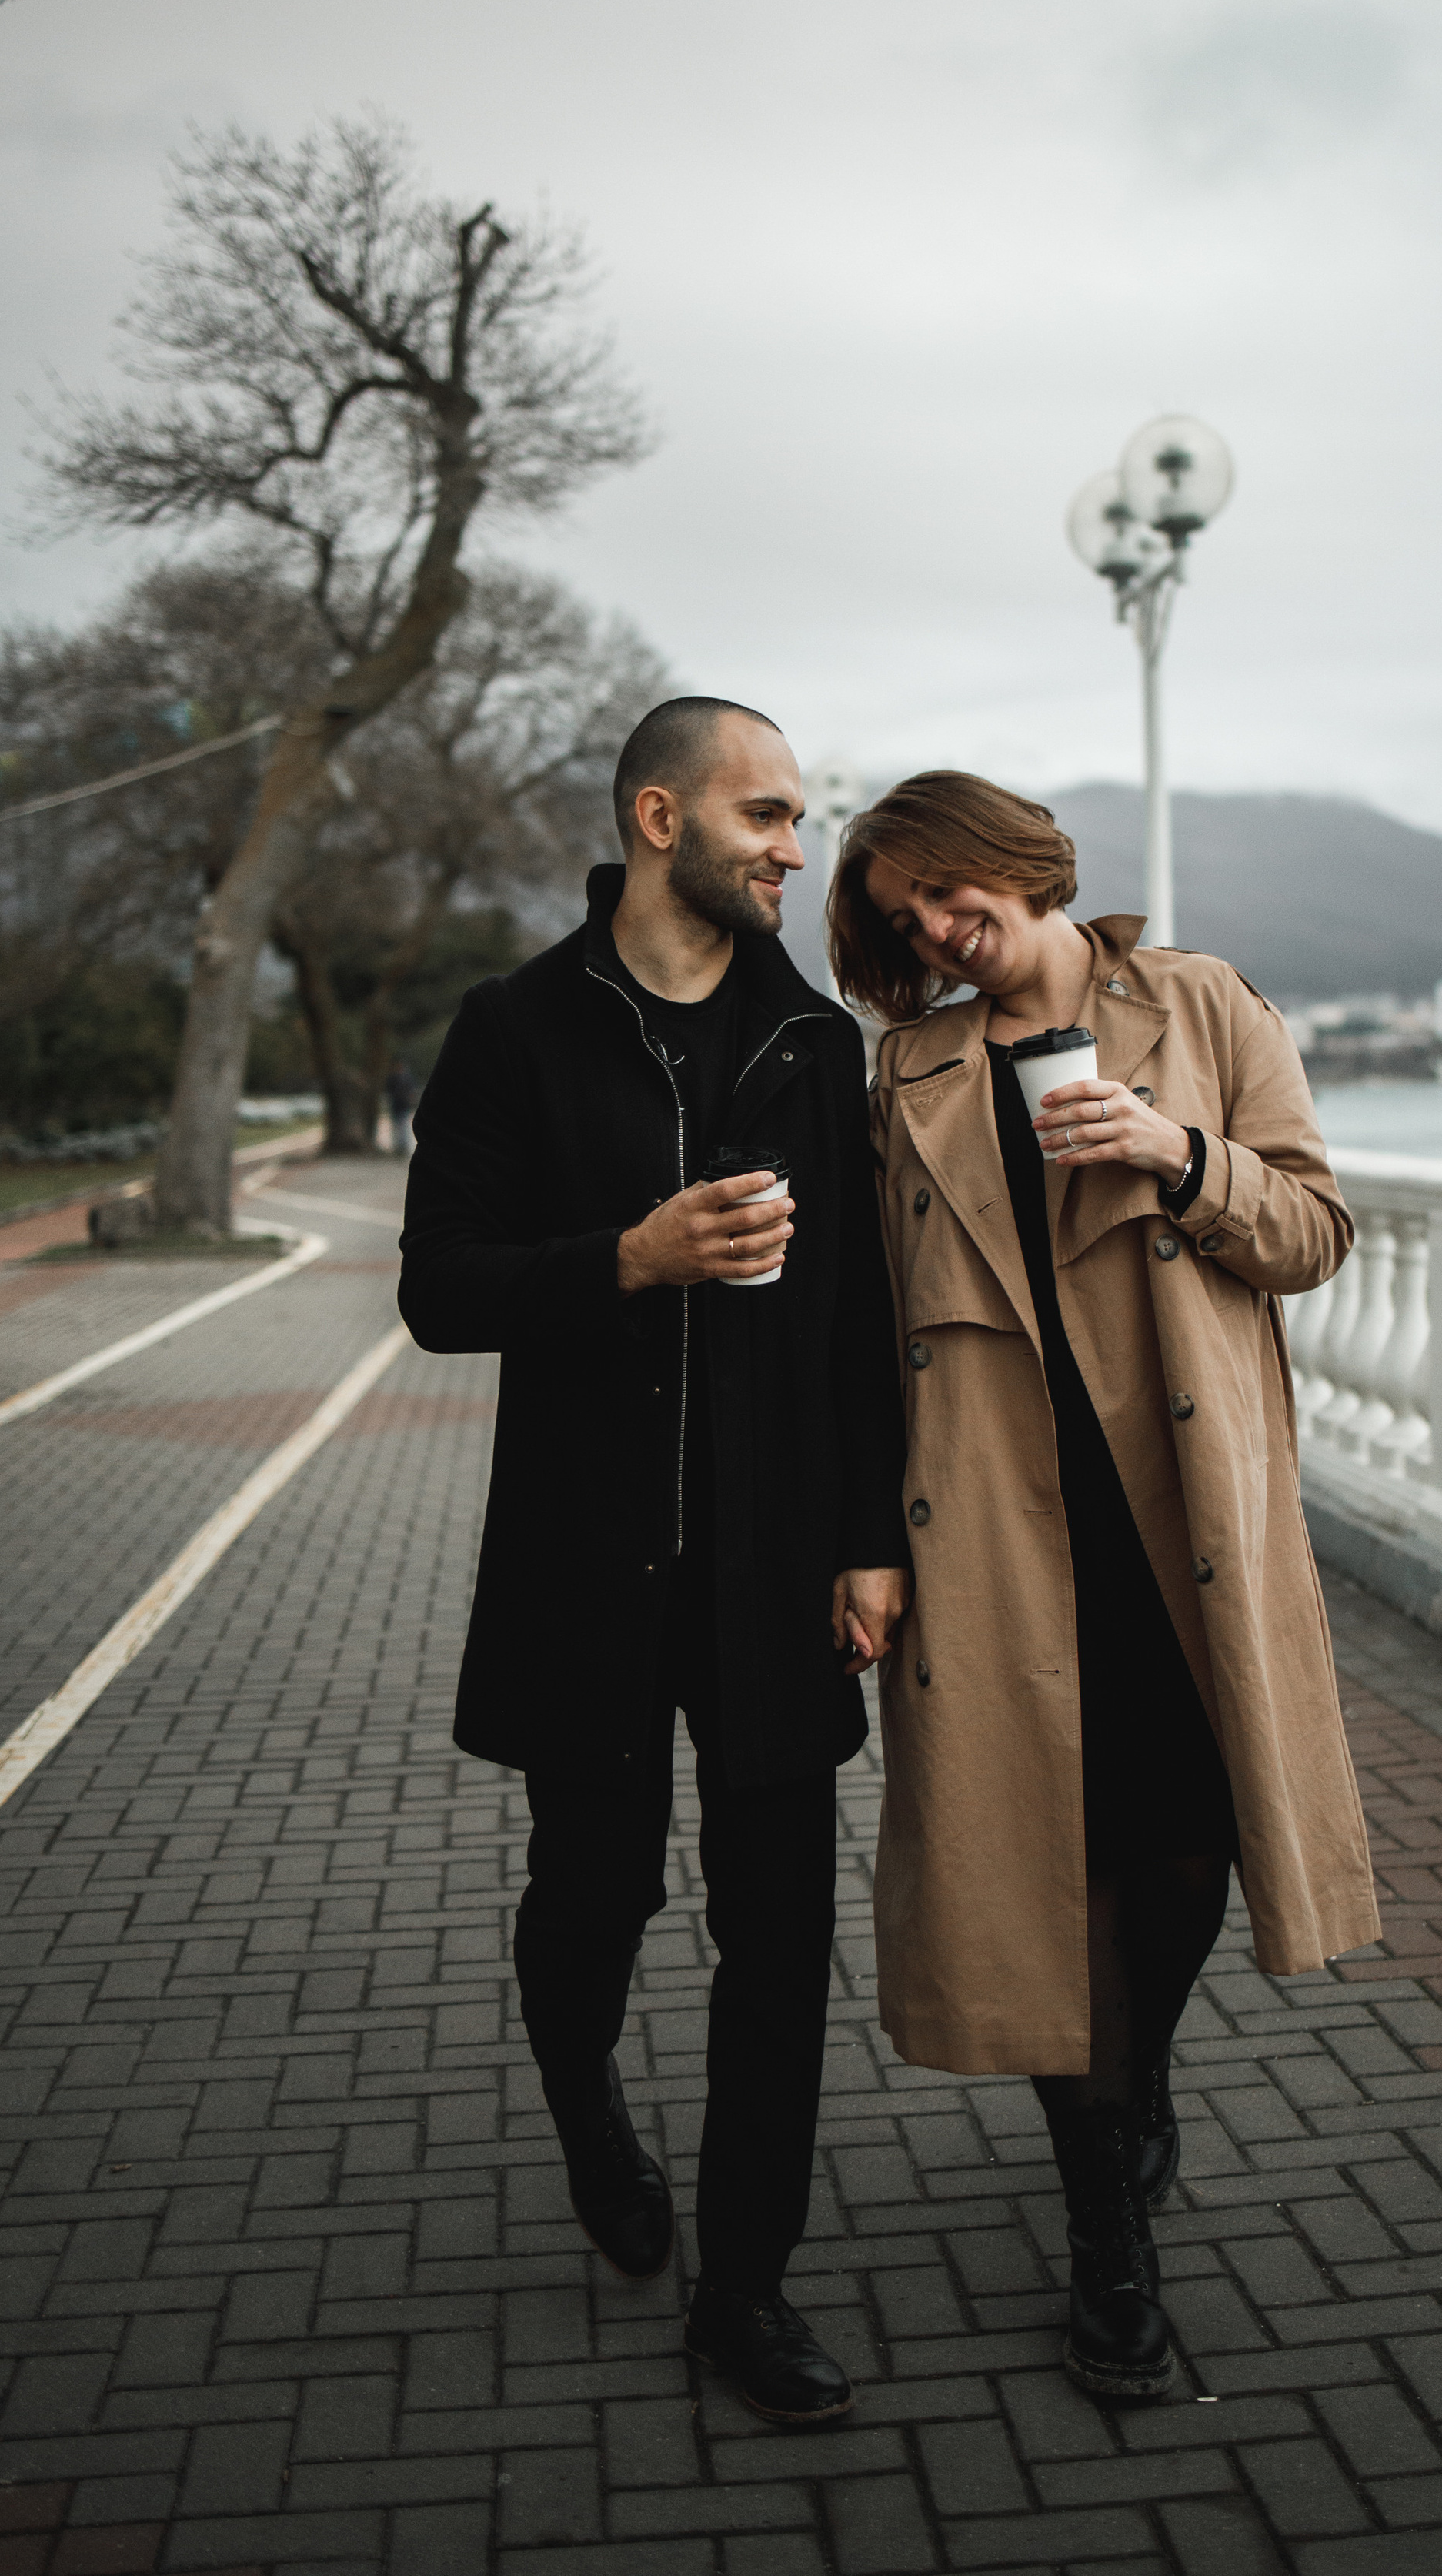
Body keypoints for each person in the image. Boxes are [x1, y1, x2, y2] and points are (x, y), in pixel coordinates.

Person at [828, 770, 1377, 2401]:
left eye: (940, 890)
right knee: (1038, 1871)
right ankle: (1105, 2256)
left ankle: (1139, 2084)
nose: (933, 929)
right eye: (900, 918)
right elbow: (863, 1327)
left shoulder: (1197, 1005)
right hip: (991, 1528)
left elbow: (1313, 1231)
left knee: (1184, 1847)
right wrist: (861, 1539)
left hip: (1180, 1516)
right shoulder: (905, 1069)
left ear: (1015, 864)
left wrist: (1174, 1152)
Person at [398, 699, 908, 2427]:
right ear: (658, 815)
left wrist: (865, 1544)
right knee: (591, 1903)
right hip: (584, 1564)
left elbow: (853, 1324)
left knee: (777, 1937)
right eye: (767, 812)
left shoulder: (810, 1045)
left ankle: (745, 2289)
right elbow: (437, 1287)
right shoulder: (515, 1032)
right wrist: (622, 1257)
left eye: (799, 816)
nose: (794, 844)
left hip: (772, 1575)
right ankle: (588, 2114)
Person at [384, 1058, 418, 1157]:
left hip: (403, 1104)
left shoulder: (407, 1078)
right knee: (396, 1126)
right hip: (396, 1104)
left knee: (403, 1126)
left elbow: (411, 1091)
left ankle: (403, 1146)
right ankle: (397, 1146)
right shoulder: (393, 1078)